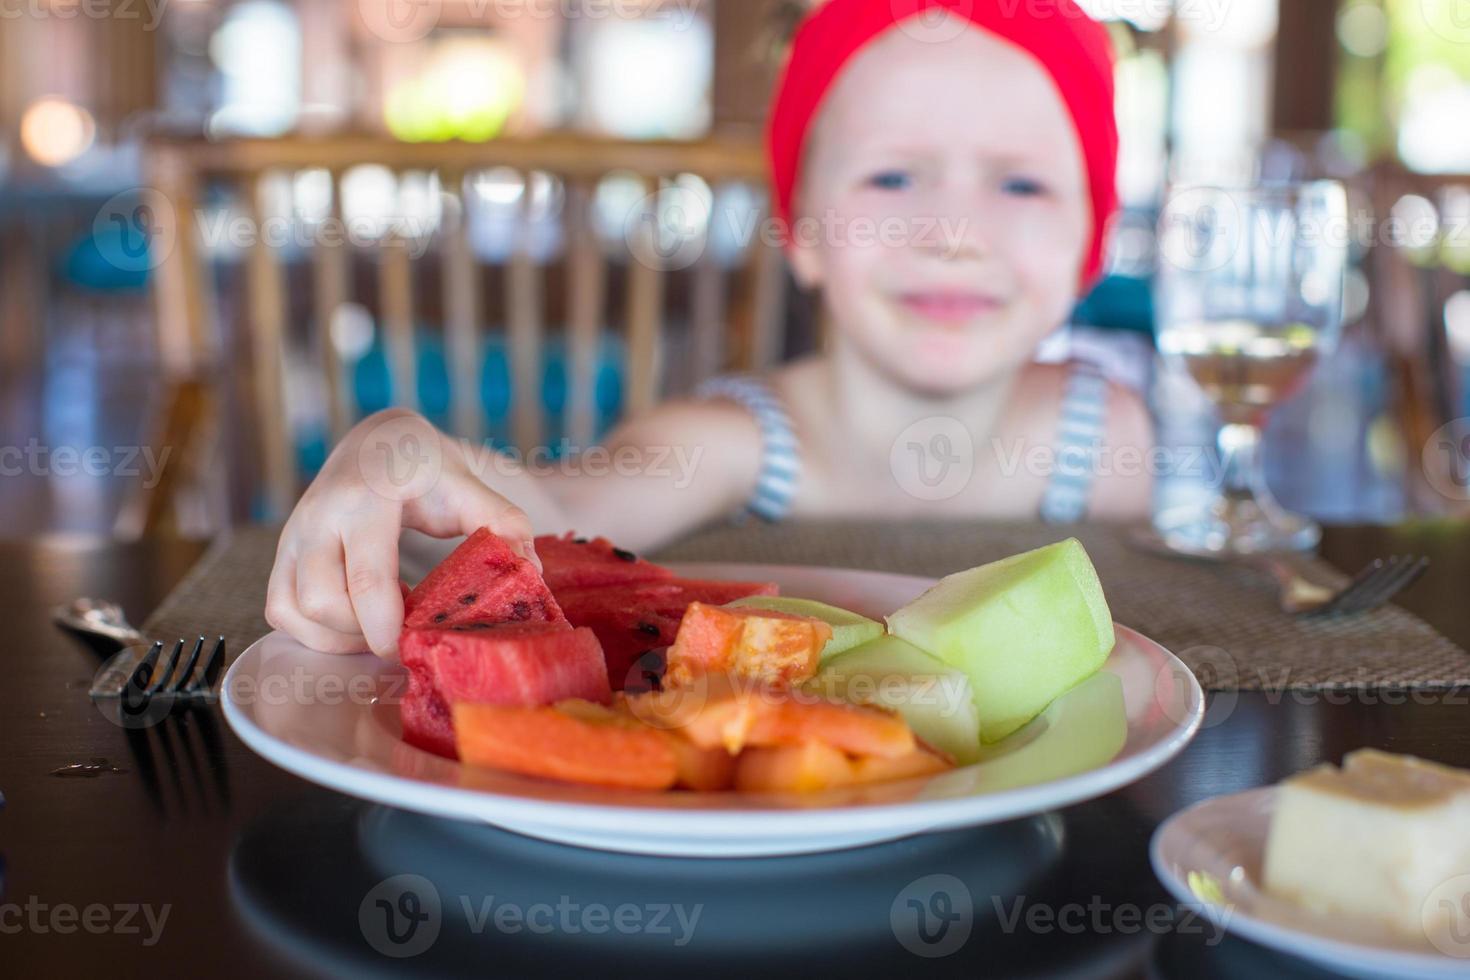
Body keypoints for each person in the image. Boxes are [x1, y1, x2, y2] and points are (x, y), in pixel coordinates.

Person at [267, 0, 1154, 658]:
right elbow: (552, 515)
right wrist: (393, 450)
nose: (952, 236)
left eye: (1023, 184)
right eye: (892, 179)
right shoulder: (734, 444)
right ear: (801, 231)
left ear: (1090, 239)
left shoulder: (1108, 436)